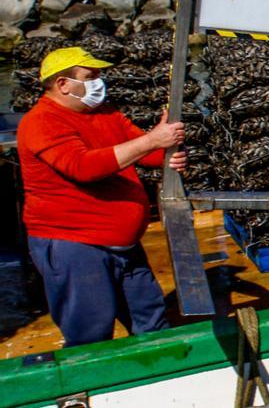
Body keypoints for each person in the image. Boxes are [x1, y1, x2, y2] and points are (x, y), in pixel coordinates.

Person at [16, 47, 188, 347]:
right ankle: (90, 389)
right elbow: (82, 167)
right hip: (75, 244)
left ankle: (158, 377)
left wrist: (167, 153)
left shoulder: (105, 113)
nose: (99, 82)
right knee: (90, 333)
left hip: (124, 243)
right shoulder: (40, 122)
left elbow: (144, 150)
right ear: (63, 84)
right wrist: (151, 140)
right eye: (90, 76)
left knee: (151, 318)